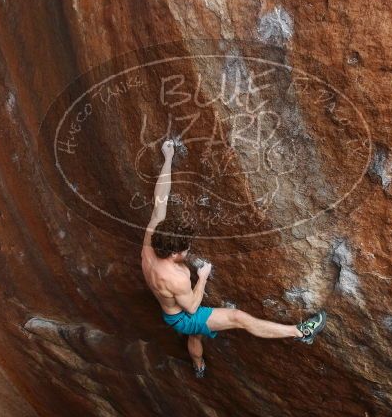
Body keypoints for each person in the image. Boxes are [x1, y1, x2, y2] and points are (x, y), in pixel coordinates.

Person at [140, 140, 327, 378]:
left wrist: (168, 158)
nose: (188, 251)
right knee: (238, 319)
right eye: (186, 249)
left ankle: (198, 367)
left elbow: (160, 199)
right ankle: (302, 332)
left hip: (169, 311)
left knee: (195, 335)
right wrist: (203, 278)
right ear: (175, 254)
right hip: (183, 316)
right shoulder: (175, 277)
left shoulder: (150, 241)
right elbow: (192, 307)